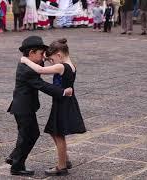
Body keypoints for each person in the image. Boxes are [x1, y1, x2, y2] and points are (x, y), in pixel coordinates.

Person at [6, 36, 73, 176]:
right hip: (23, 108)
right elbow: (42, 85)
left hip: (24, 107)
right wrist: (62, 92)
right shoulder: (27, 70)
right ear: (31, 53)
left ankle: (14, 157)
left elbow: (40, 67)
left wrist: (48, 57)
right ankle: (17, 166)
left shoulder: (29, 64)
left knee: (26, 134)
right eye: (41, 53)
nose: (43, 57)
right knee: (29, 135)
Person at [21, 38, 86, 176]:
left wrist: (25, 60)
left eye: (51, 60)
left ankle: (61, 167)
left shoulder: (61, 66)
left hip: (62, 103)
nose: (50, 62)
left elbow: (40, 69)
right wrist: (47, 56)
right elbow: (50, 63)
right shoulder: (70, 64)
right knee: (53, 131)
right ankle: (65, 159)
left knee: (58, 134)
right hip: (64, 101)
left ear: (59, 56)